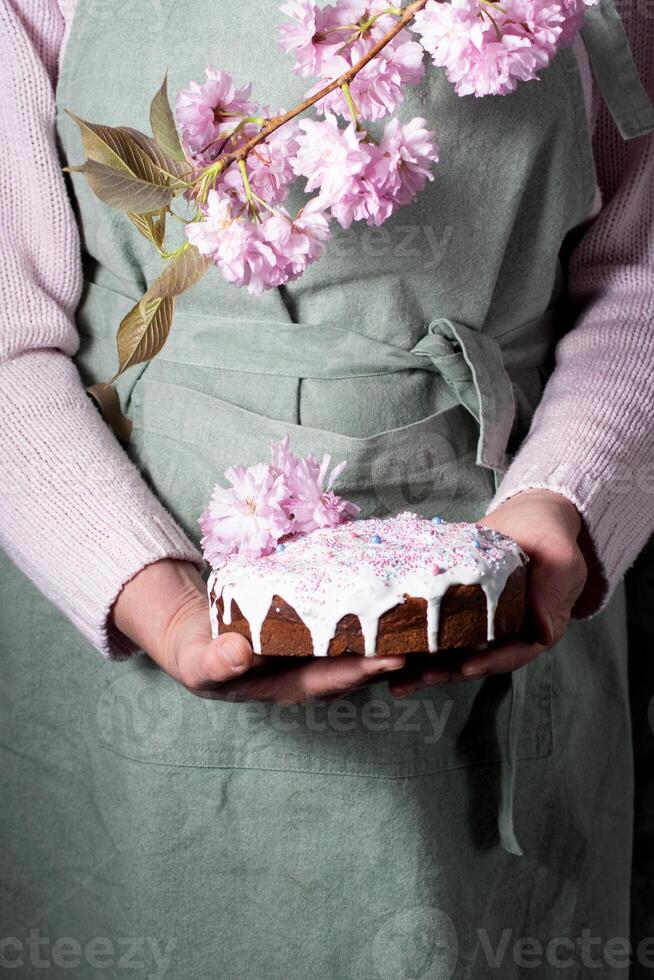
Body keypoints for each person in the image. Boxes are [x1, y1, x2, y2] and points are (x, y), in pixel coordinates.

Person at [1, 0, 653, 976]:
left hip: (516, 568)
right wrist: (155, 596)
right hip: (135, 583)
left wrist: (569, 503)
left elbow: (636, 275)